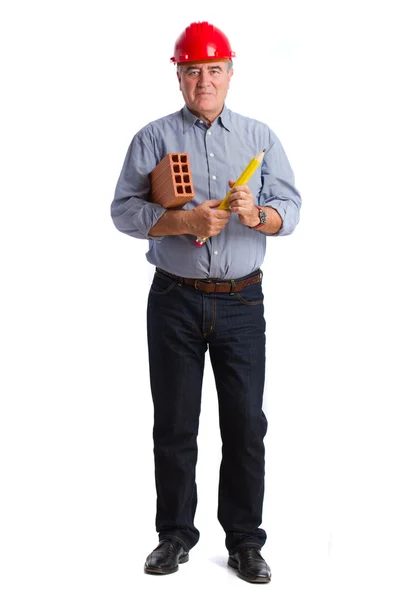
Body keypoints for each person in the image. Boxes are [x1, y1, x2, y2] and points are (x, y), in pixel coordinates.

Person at [111, 21, 301, 584]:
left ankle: (244, 542)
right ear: (178, 75)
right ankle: (173, 536)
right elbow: (123, 212)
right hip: (174, 299)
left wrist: (255, 215)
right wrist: (180, 220)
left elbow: (288, 210)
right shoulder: (152, 139)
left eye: (213, 70)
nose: (203, 81)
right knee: (174, 423)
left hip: (243, 302)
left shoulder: (260, 137)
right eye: (192, 71)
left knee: (245, 425)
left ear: (230, 72)